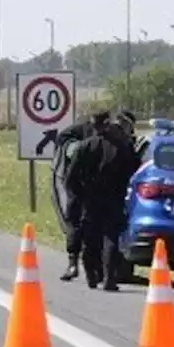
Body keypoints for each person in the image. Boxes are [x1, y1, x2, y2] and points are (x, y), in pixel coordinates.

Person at [67, 118, 139, 291]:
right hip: (114, 199)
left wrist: (80, 194)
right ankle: (109, 278)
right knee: (110, 238)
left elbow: (71, 177)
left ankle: (92, 275)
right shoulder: (123, 148)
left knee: (90, 238)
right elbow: (134, 172)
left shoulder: (85, 147)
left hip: (90, 200)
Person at [56, 110, 109, 281]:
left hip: (80, 190)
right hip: (94, 192)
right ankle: (89, 267)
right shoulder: (111, 139)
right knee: (89, 228)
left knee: (76, 226)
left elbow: (62, 141)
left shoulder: (83, 136)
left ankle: (76, 265)